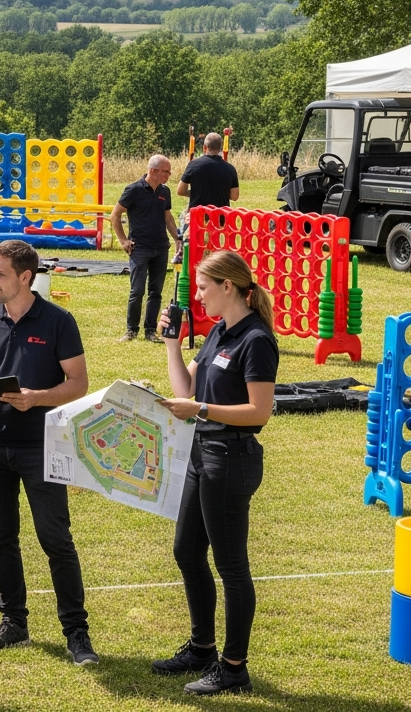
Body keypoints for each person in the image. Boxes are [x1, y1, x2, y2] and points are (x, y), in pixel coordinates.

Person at [0, 239, 99, 667]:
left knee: (56, 540)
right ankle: (13, 622)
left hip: (41, 445)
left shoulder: (58, 322)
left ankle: (76, 633)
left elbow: (78, 384)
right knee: (2, 539)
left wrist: (36, 398)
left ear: (25, 277)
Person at [154, 250, 278, 696]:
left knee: (231, 566)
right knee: (187, 553)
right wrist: (172, 342)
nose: (197, 295)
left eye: (204, 287)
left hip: (230, 459)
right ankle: (202, 647)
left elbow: (258, 411)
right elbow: (184, 390)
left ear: (229, 287)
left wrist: (200, 409)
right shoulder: (218, 333)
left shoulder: (255, 340)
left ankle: (233, 669)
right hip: (200, 453)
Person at [110, 154, 179, 343]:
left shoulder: (165, 191)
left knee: (155, 291)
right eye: (166, 171)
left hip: (161, 248)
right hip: (139, 248)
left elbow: (168, 218)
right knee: (137, 290)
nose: (169, 175)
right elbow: (115, 215)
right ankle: (131, 330)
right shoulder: (133, 190)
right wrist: (123, 240)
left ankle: (150, 330)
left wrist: (178, 239)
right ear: (153, 171)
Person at [177, 133, 240, 209]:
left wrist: (195, 193)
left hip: (198, 216)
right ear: (221, 148)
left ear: (204, 147)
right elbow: (234, 196)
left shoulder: (194, 165)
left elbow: (180, 190)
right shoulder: (230, 169)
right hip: (220, 216)